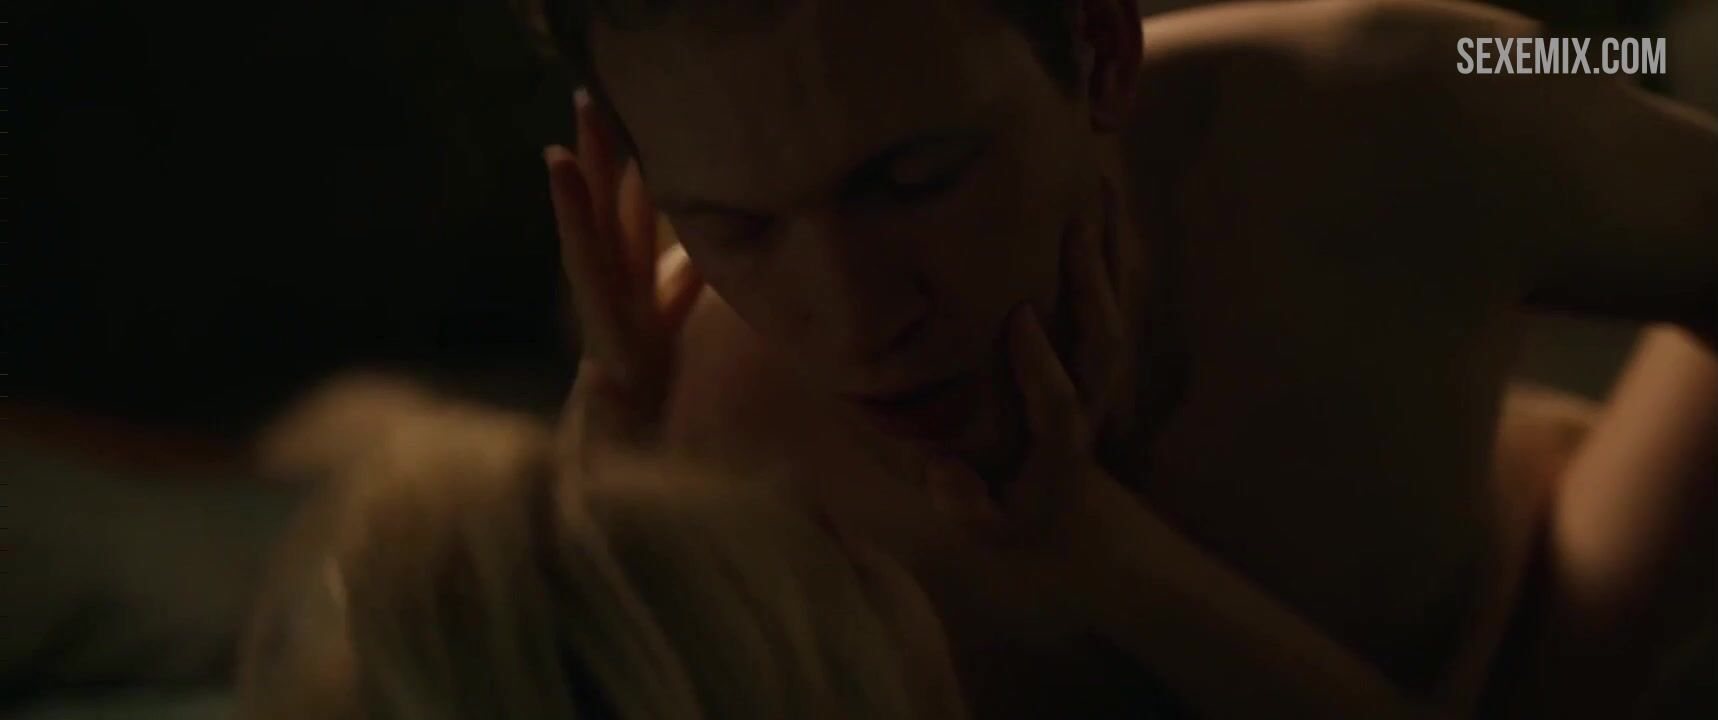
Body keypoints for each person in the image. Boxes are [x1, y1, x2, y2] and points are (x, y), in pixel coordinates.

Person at [526, 0, 1716, 715]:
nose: (852, 320)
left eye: (916, 180)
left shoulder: (1408, 96)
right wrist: (601, 503)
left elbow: (1552, 73)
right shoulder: (689, 431)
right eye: (734, 226)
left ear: (1098, 47)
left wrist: (1593, 632)